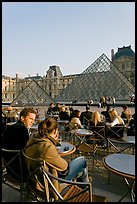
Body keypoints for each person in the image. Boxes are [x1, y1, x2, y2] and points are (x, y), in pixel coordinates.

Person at [24, 118, 90, 201]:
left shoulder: (32, 139)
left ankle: (83, 190)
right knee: (82, 161)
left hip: (34, 180)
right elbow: (65, 168)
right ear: (55, 131)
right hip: (49, 185)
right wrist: (54, 144)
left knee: (82, 171)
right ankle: (84, 193)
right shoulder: (47, 148)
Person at [2, 107, 36, 179]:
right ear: (22, 118)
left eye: (34, 120)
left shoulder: (8, 128)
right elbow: (27, 151)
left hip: (9, 169)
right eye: (31, 119)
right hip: (21, 172)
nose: (33, 122)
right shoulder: (23, 130)